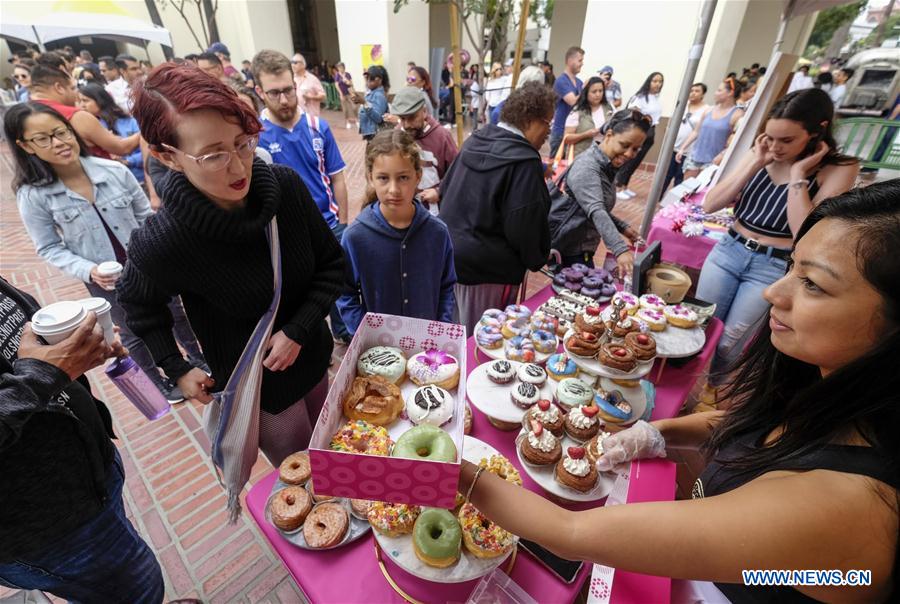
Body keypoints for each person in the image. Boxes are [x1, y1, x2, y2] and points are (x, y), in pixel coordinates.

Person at [455, 181, 900, 603]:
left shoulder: (848, 509)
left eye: (813, 284)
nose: (772, 292)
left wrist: (453, 470)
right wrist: (660, 432)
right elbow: (769, 429)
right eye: (791, 268)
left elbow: (569, 536)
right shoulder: (830, 391)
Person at [119, 63, 343, 478]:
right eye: (213, 155)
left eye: (242, 143)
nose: (239, 168)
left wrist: (298, 329)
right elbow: (138, 305)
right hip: (260, 394)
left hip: (314, 360)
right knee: (309, 479)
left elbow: (333, 265)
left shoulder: (286, 188)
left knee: (334, 447)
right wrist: (177, 367)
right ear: (167, 156)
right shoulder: (164, 240)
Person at [5, 102, 203, 402]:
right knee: (132, 331)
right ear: (25, 146)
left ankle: (199, 361)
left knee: (176, 314)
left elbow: (146, 217)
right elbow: (49, 247)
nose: (58, 143)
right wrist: (89, 270)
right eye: (43, 138)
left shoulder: (113, 171)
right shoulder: (34, 195)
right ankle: (159, 383)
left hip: (150, 265)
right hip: (105, 281)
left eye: (61, 132)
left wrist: (160, 253)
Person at [0, 276, 165, 603]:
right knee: (138, 591)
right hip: (46, 529)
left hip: (89, 481)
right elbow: (32, 377)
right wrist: (40, 376)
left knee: (121, 577)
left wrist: (69, 349)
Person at [696, 88, 858, 404]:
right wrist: (756, 161)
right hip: (728, 250)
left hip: (772, 264)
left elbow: (807, 235)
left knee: (732, 342)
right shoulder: (762, 152)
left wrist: (798, 175)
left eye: (786, 140)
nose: (775, 146)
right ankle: (686, 387)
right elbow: (710, 203)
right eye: (770, 137)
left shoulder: (838, 168)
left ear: (817, 132)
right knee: (699, 327)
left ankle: (710, 394)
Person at [252, 49, 351, 344]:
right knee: (299, 294)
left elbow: (338, 177)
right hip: (285, 232)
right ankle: (310, 342)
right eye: (274, 93)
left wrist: (343, 223)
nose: (283, 99)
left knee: (337, 285)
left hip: (328, 224)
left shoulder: (317, 126)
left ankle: (343, 334)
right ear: (259, 91)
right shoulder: (256, 135)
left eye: (287, 90)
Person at [439, 81, 554, 335]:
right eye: (548, 123)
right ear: (532, 121)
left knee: (455, 335)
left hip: (448, 259)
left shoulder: (473, 141)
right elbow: (525, 227)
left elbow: (445, 192)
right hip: (489, 272)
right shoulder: (524, 163)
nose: (548, 132)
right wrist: (538, 257)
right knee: (482, 340)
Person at [337, 129, 456, 334]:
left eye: (403, 178)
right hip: (378, 349)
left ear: (417, 177)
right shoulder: (356, 237)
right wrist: (363, 333)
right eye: (383, 178)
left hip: (427, 345)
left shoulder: (437, 233)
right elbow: (344, 293)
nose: (393, 189)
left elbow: (447, 287)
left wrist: (441, 329)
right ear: (370, 178)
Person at [549, 110, 650, 275]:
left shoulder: (608, 165)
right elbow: (596, 210)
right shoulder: (588, 166)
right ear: (609, 135)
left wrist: (622, 228)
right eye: (624, 145)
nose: (629, 154)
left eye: (636, 149)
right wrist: (620, 249)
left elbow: (590, 206)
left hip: (581, 245)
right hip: (569, 248)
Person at [28, 64, 140, 160]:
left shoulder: (24, 115)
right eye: (72, 88)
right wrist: (145, 131)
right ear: (59, 88)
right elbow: (122, 148)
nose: (75, 95)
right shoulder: (75, 116)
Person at [388, 86, 459, 214]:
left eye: (412, 117)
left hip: (436, 211)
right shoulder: (397, 134)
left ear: (424, 112)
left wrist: (439, 191)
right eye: (403, 118)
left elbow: (458, 173)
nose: (407, 125)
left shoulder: (442, 136)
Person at [677, 77, 744, 179]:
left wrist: (722, 155)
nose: (715, 93)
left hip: (713, 162)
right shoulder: (708, 110)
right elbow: (696, 131)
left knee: (702, 193)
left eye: (719, 90)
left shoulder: (737, 114)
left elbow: (737, 140)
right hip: (694, 158)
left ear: (730, 93)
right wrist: (682, 148)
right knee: (686, 190)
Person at [77, 83, 144, 184]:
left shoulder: (129, 121)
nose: (82, 105)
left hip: (139, 177)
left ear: (100, 100)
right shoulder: (88, 129)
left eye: (85, 100)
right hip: (113, 181)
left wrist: (129, 161)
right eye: (79, 101)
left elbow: (148, 149)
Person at [615, 72, 664, 200]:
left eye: (660, 81)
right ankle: (618, 186)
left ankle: (625, 185)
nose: (657, 84)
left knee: (637, 160)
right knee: (630, 159)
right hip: (642, 130)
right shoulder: (641, 97)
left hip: (651, 130)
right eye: (655, 81)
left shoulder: (655, 98)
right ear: (649, 82)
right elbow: (633, 110)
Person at [662, 82, 709, 193]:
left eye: (697, 91)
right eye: (691, 91)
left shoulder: (706, 110)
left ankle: (675, 204)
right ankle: (657, 199)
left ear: (703, 94)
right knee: (666, 175)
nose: (693, 93)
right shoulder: (682, 106)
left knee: (680, 178)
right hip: (673, 148)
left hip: (689, 151)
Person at [563, 75, 614, 157]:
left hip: (602, 155)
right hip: (580, 157)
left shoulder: (608, 108)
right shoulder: (577, 111)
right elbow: (566, 138)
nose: (598, 94)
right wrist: (586, 134)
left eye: (600, 91)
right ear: (586, 93)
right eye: (594, 92)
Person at [549, 46, 585, 156]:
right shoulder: (561, 81)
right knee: (556, 167)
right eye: (580, 60)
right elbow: (573, 102)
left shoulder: (579, 82)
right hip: (560, 132)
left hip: (573, 132)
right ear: (570, 61)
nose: (582, 63)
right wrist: (587, 88)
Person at [356, 65, 389, 141]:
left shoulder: (379, 95)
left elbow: (378, 118)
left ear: (379, 80)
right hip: (370, 134)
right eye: (367, 80)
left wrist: (364, 103)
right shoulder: (372, 92)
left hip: (376, 135)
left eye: (371, 80)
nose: (368, 83)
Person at [291, 53, 326, 118]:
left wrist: (311, 97)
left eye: (295, 62)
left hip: (311, 117)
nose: (292, 65)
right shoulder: (291, 79)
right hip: (296, 118)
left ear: (303, 65)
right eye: (291, 62)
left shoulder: (312, 79)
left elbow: (323, 96)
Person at [334, 61, 358, 130]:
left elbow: (351, 84)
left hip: (349, 93)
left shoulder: (348, 74)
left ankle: (356, 120)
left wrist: (347, 82)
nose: (340, 69)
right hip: (343, 94)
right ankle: (347, 122)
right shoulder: (337, 75)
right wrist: (340, 94)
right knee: (345, 109)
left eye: (341, 67)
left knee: (354, 107)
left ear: (344, 68)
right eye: (338, 67)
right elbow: (336, 85)